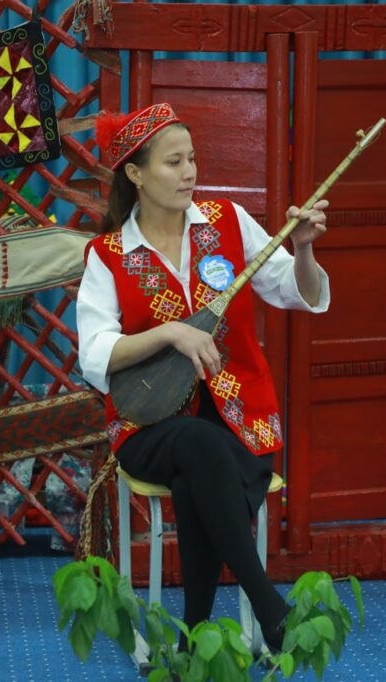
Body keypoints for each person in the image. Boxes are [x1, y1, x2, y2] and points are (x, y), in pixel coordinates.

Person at [77, 102, 331, 651]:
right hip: (148, 424)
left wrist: (304, 250)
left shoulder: (228, 222)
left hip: (242, 421)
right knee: (196, 444)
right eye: (173, 162)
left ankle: (192, 638)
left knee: (201, 468)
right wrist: (171, 333)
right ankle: (270, 608)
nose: (189, 172)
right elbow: (95, 353)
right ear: (135, 173)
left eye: (192, 159)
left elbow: (299, 293)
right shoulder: (108, 254)